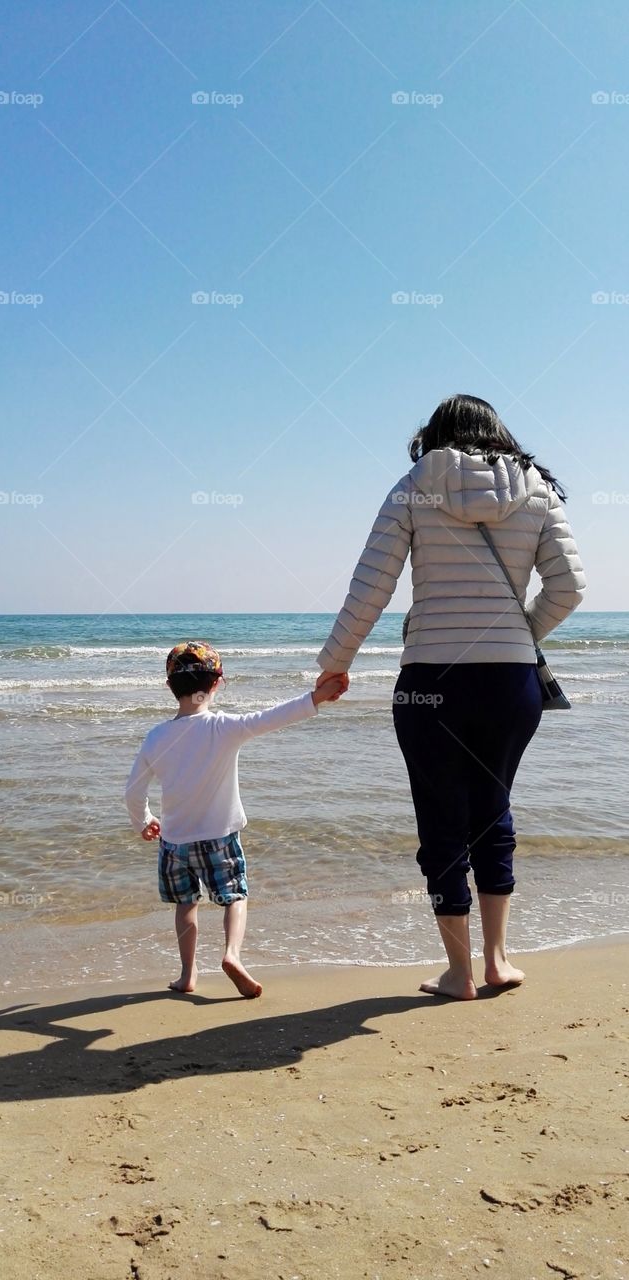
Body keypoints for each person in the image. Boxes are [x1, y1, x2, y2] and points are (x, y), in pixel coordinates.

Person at [315, 395, 585, 1000]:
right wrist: (516, 635)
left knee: (442, 821)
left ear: (434, 435)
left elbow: (370, 589)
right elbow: (568, 588)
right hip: (510, 684)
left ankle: (459, 974)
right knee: (494, 810)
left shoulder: (414, 485)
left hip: (431, 682)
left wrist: (335, 665)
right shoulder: (535, 489)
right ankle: (497, 961)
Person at [125, 641, 346, 998]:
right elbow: (272, 717)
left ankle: (187, 975)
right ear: (216, 683)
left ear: (169, 687)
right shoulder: (224, 728)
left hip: (174, 842)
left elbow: (132, 791)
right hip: (220, 837)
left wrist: (144, 820)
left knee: (186, 905)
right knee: (235, 896)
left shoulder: (156, 737)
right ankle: (231, 955)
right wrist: (316, 697)